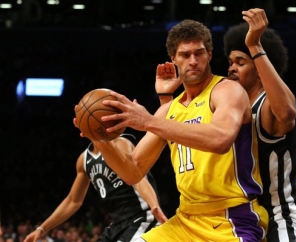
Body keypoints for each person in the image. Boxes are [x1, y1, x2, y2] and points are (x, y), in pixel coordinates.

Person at [95, 19, 268, 241]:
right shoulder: (168, 110)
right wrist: (99, 139)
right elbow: (133, 171)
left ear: (210, 55)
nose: (193, 61)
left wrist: (147, 121)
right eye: (185, 55)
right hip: (185, 220)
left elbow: (221, 138)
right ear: (174, 59)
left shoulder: (227, 90)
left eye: (199, 53)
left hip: (232, 219)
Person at [223, 8, 296, 242]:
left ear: (258, 68)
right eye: (230, 62)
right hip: (250, 214)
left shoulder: (267, 105)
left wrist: (255, 46)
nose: (231, 68)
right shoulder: (232, 107)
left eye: (240, 62)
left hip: (282, 210)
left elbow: (287, 114)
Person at [23, 133, 167, 242]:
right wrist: (42, 229)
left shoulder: (121, 143)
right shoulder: (84, 160)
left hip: (142, 218)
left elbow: (137, 179)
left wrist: (154, 206)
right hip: (117, 224)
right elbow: (73, 201)